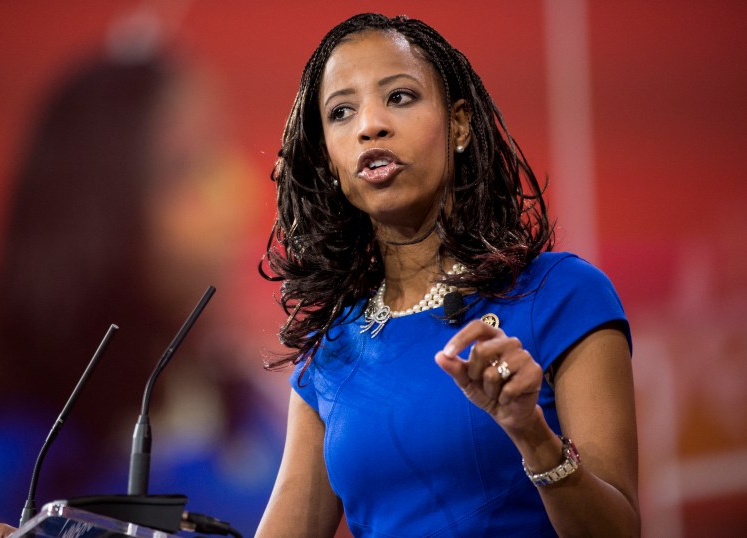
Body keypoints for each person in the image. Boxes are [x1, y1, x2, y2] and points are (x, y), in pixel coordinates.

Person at [255, 13, 639, 537]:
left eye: (399, 97)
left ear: (458, 124)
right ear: (330, 160)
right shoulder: (331, 350)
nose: (370, 124)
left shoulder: (562, 295)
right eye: (341, 112)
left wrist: (532, 435)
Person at [0, 48, 281, 537]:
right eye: (185, 167)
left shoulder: (251, 401)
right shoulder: (20, 449)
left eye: (221, 151)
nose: (240, 193)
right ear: (97, 217)